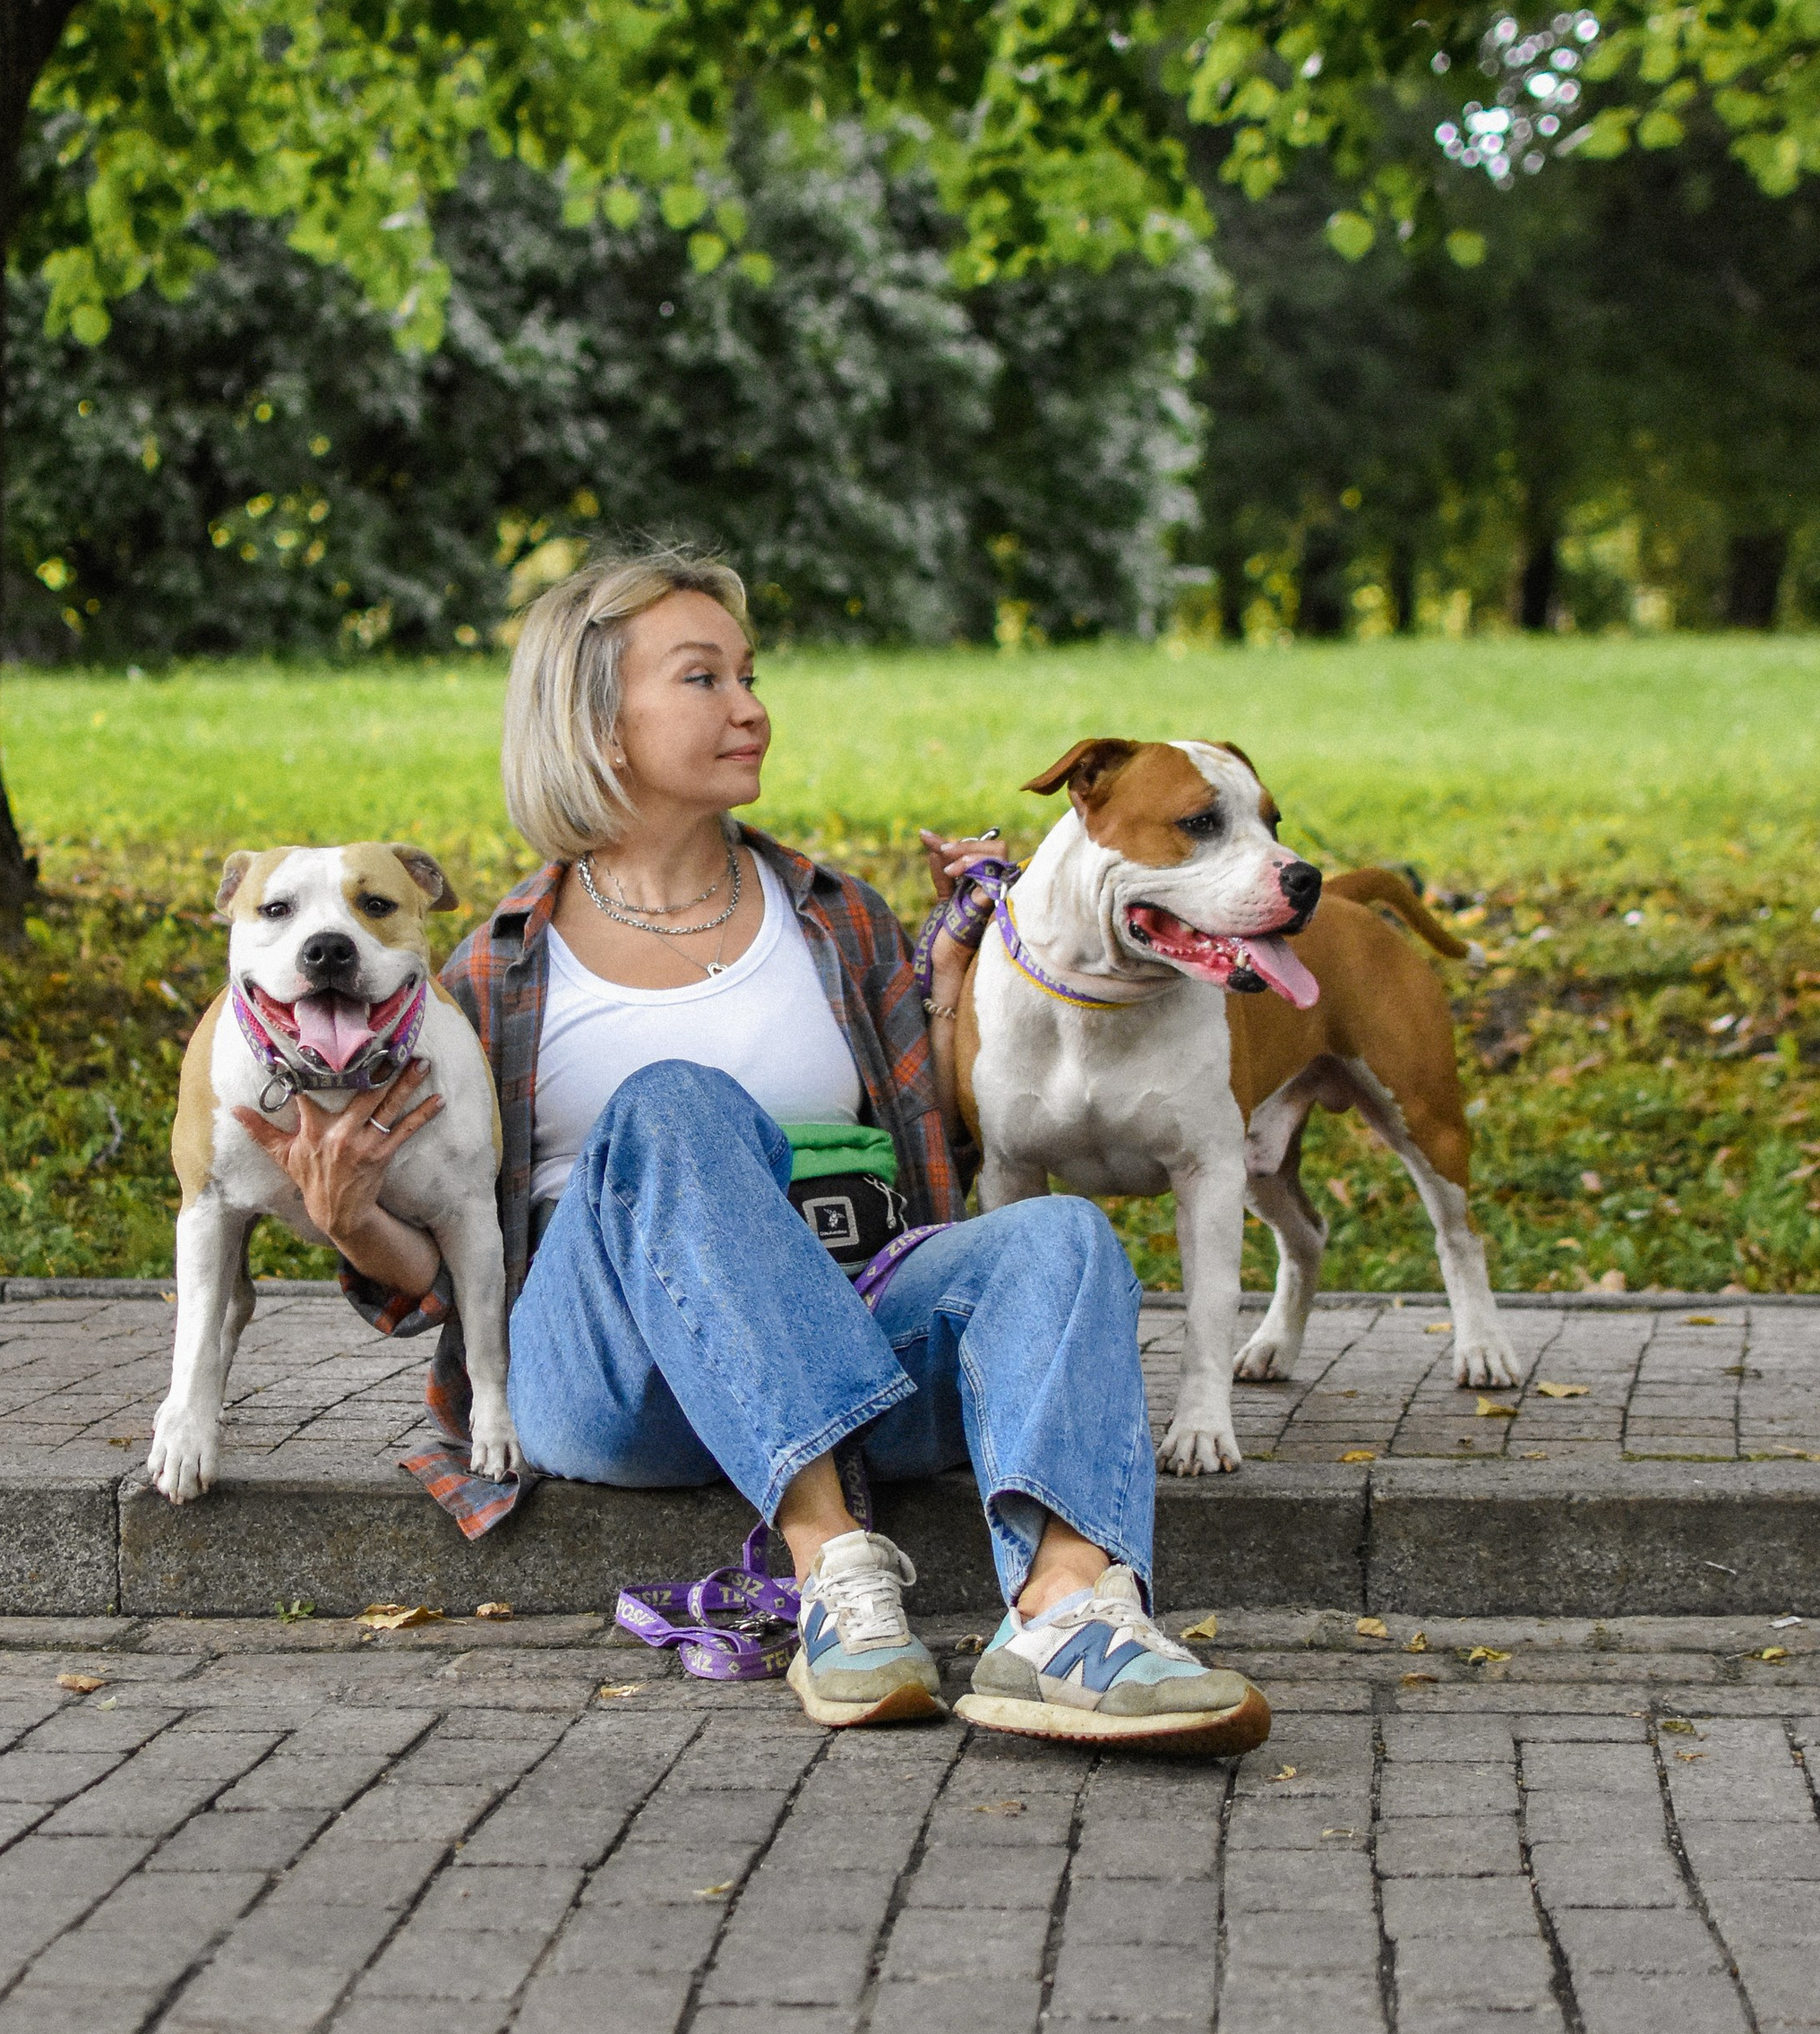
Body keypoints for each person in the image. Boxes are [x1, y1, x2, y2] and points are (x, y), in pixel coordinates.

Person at [237, 545, 1266, 1753]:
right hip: (612, 1375)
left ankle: (1070, 1614)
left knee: (1060, 1239)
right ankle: (838, 1576)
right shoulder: (490, 971)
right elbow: (446, 1276)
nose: (751, 706)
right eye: (704, 678)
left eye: (750, 674)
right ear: (599, 725)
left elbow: (935, 1142)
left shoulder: (838, 917)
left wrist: (952, 998)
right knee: (674, 1103)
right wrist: (348, 1209)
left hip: (841, 1326)